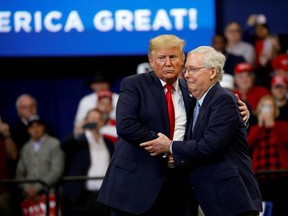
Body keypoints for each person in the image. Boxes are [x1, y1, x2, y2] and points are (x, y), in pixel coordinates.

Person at [97, 34, 250, 216]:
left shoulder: (192, 89)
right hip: (135, 187)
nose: (168, 63)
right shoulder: (134, 84)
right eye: (162, 58)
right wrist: (164, 146)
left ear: (182, 61)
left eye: (173, 57)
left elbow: (214, 119)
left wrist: (243, 115)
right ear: (151, 61)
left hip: (178, 187)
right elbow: (126, 125)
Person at [140, 46, 263, 216]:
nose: (187, 75)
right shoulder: (197, 103)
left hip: (231, 198)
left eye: (193, 69)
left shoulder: (223, 99)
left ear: (212, 72)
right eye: (186, 69)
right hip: (209, 198)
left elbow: (211, 145)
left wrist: (171, 147)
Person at [61, 108, 114, 216]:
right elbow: (64, 147)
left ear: (102, 122)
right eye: (91, 119)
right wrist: (76, 132)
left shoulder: (108, 143)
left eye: (97, 119)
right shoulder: (77, 140)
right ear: (86, 121)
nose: (94, 122)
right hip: (81, 197)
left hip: (103, 198)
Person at [247, 95, 288, 216]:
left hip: (281, 174)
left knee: (280, 208)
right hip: (260, 176)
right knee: (263, 209)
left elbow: (285, 140)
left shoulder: (282, 126)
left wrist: (272, 125)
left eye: (269, 106)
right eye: (264, 106)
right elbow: (250, 143)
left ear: (274, 110)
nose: (266, 110)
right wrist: (260, 125)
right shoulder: (255, 128)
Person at [15, 115, 64, 211]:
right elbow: (19, 173)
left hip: (50, 195)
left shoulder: (54, 144)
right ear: (28, 130)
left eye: (38, 126)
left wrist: (36, 188)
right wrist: (27, 189)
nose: (35, 129)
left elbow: (57, 171)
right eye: (32, 127)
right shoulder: (25, 148)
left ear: (43, 127)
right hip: (29, 197)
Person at [74, 71, 119, 137]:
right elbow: (79, 125)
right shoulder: (85, 101)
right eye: (97, 83)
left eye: (103, 82)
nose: (100, 86)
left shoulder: (119, 98)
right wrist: (98, 125)